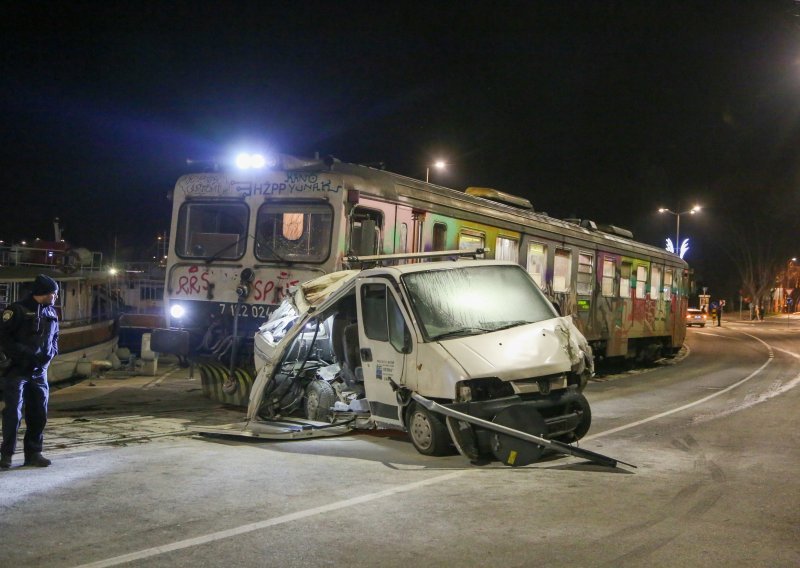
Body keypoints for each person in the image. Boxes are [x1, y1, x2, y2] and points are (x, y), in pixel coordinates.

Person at [0, 274, 60, 469]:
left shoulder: (51, 312)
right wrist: (25, 355)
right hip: (17, 370)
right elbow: (5, 339)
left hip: (39, 372)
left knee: (38, 413)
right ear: (42, 293)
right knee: (12, 414)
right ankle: (6, 455)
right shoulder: (16, 310)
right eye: (53, 293)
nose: (55, 297)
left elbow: (55, 337)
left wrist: (50, 354)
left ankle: (34, 453)